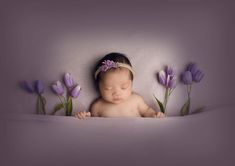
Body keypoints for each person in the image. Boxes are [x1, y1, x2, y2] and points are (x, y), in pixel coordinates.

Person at [75, 52, 165, 119]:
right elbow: (93, 125)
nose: (116, 93)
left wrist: (154, 115)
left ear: (131, 83)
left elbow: (146, 111)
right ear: (99, 86)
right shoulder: (98, 106)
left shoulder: (136, 100)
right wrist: (85, 117)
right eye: (108, 88)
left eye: (124, 87)